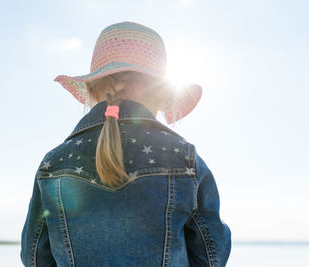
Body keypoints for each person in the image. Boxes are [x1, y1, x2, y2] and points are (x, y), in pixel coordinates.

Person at [20, 21, 231, 267]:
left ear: (90, 87)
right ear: (163, 94)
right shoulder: (183, 159)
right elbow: (211, 256)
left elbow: (34, 258)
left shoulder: (54, 163)